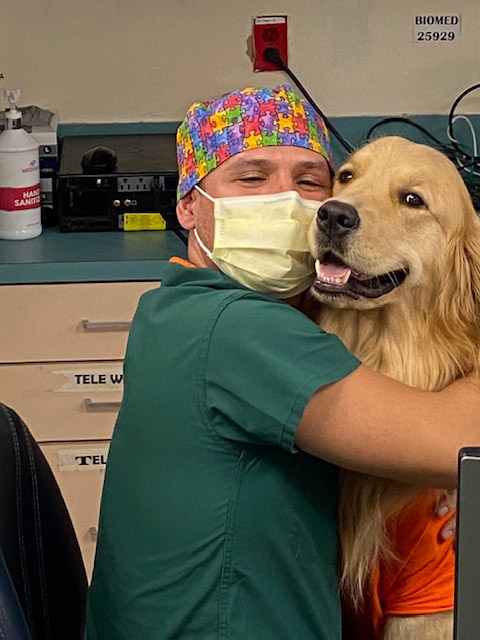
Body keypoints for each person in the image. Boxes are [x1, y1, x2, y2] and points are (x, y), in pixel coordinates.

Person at [86, 85, 478, 640]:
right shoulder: (244, 330)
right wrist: (453, 466)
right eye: (251, 177)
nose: (287, 199)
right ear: (189, 205)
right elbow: (459, 444)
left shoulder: (184, 306)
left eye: (313, 181)